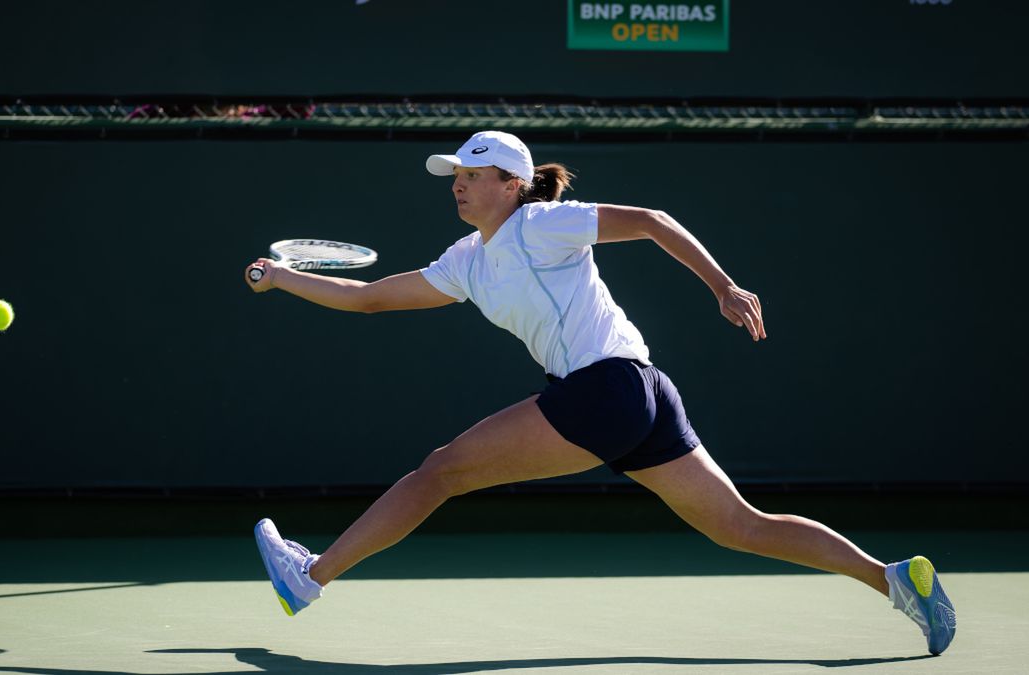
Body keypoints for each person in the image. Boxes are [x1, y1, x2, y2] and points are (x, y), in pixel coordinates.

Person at [244, 131, 956, 655]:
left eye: (473, 172)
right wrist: (283, 277)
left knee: (439, 471)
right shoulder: (468, 261)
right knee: (741, 525)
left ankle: (312, 575)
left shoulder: (542, 224)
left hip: (608, 388)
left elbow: (650, 220)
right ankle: (896, 580)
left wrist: (722, 286)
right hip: (639, 390)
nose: (457, 182)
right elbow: (369, 296)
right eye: (454, 174)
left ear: (512, 183)